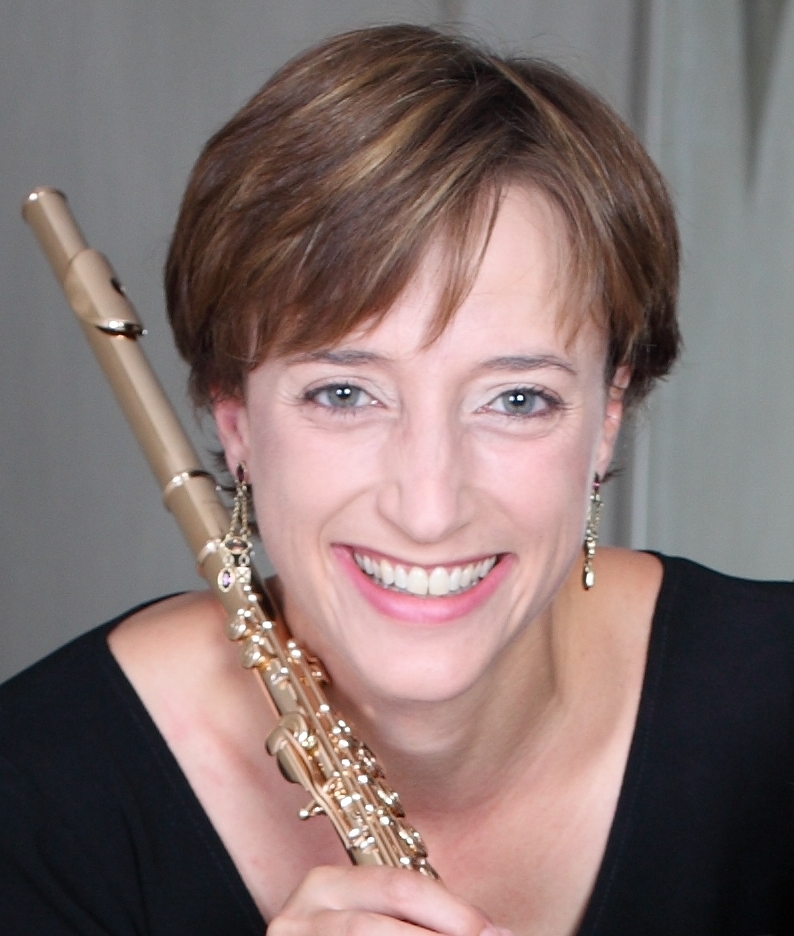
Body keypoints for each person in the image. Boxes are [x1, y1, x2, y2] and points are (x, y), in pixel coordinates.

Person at [1, 22, 793, 936]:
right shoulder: (34, 803)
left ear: (607, 415)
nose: (429, 506)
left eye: (517, 399)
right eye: (344, 393)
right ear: (233, 414)